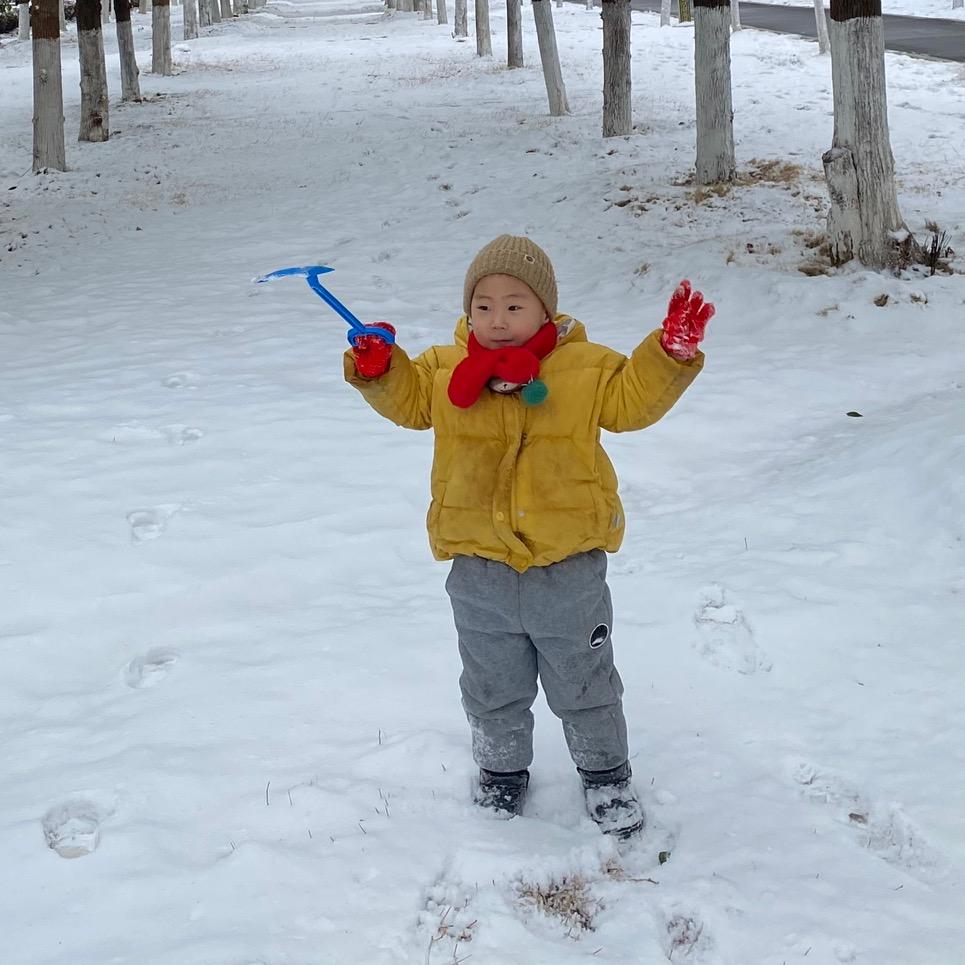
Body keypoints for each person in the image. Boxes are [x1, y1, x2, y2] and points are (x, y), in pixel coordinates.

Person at [343, 235, 712, 838]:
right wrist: (378, 368)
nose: (497, 319)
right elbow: (408, 402)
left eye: (515, 305)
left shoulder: (586, 368)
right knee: (491, 681)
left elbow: (631, 403)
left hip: (567, 567)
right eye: (482, 306)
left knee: (584, 680)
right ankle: (501, 770)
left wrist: (667, 356)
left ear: (546, 309)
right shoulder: (443, 369)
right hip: (479, 565)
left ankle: (606, 775)